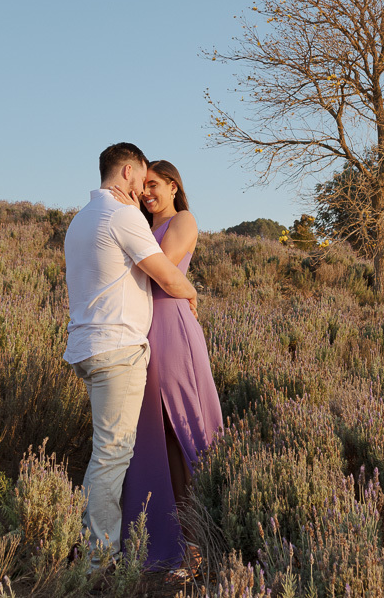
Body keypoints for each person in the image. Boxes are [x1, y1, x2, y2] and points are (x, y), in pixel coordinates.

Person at [63, 143, 197, 567]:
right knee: (112, 454)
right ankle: (100, 558)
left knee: (108, 449)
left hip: (87, 347)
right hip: (117, 348)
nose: (141, 189)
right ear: (126, 171)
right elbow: (167, 277)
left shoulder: (80, 219)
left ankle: (102, 545)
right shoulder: (122, 216)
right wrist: (192, 291)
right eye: (141, 178)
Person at [113, 160, 223, 573]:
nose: (146, 193)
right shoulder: (140, 225)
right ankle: (164, 540)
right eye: (142, 187)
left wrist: (128, 212)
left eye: (154, 185)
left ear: (174, 186)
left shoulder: (183, 220)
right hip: (143, 332)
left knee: (183, 431)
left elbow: (159, 269)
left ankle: (199, 542)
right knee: (153, 437)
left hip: (174, 331)